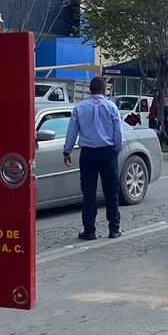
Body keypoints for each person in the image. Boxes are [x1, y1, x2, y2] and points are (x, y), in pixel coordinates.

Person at [63, 76, 125, 240]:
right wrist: (117, 149)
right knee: (111, 192)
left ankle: (89, 230)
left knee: (89, 193)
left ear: (90, 90)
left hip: (88, 154)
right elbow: (118, 133)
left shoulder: (80, 108)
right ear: (104, 90)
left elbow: (72, 132)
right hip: (107, 153)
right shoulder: (111, 107)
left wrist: (67, 151)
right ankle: (114, 228)